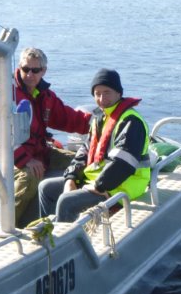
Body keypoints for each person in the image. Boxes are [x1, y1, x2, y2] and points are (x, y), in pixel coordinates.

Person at [0, 47, 92, 224]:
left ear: (43, 71)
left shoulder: (43, 95)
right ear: (19, 68)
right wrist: (25, 160)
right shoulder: (5, 95)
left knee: (81, 163)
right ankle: (7, 224)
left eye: (35, 70)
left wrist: (98, 124)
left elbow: (67, 117)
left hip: (39, 152)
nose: (30, 74)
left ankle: (79, 211)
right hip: (6, 156)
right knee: (29, 177)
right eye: (25, 69)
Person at [38, 68, 151, 223]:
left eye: (107, 92)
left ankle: (66, 243)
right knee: (46, 187)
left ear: (119, 93)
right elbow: (84, 152)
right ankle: (49, 233)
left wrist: (99, 186)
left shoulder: (131, 122)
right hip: (101, 181)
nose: (102, 98)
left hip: (124, 185)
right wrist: (71, 177)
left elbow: (123, 165)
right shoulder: (100, 118)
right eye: (97, 93)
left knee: (67, 201)